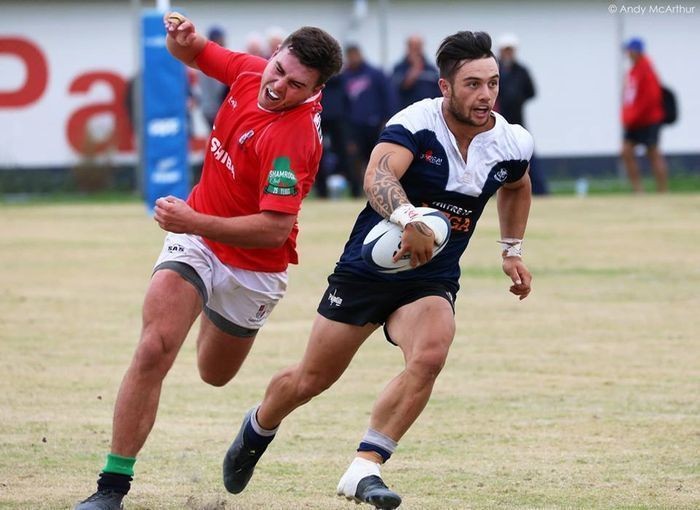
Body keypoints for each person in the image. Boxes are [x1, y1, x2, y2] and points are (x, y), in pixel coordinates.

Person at [222, 30, 533, 509]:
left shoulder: (510, 141)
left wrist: (511, 248)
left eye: (492, 83)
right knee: (311, 380)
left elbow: (516, 184)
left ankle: (365, 467)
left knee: (430, 355)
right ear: (445, 87)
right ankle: (259, 425)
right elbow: (378, 175)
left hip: (431, 277)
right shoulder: (417, 123)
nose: (486, 94)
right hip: (368, 269)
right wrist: (409, 218)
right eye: (472, 84)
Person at [74, 12, 342, 510]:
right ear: (276, 52)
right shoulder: (249, 70)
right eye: (278, 69)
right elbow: (194, 55)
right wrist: (184, 40)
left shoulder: (292, 137)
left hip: (253, 267)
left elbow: (274, 228)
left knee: (214, 374)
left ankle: (256, 424)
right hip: (197, 242)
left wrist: (192, 221)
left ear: (315, 90)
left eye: (295, 83)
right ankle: (111, 487)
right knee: (154, 347)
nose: (278, 85)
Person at [496, 33, 548, 195]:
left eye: (511, 50)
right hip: (497, 119)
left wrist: (517, 99)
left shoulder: (522, 70)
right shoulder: (495, 70)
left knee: (527, 152)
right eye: (506, 50)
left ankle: (539, 190)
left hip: (518, 120)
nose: (508, 53)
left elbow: (531, 92)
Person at [341, 44, 395, 194]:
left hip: (374, 124)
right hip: (354, 125)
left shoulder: (375, 74)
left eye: (355, 54)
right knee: (355, 158)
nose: (353, 58)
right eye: (350, 56)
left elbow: (388, 97)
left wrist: (387, 119)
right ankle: (356, 189)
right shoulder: (345, 76)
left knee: (376, 159)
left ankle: (377, 189)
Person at [621, 37, 668, 193]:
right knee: (626, 151)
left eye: (630, 50)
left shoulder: (646, 69)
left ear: (637, 51)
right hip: (634, 120)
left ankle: (662, 190)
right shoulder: (633, 71)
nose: (627, 54)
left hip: (648, 120)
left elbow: (652, 98)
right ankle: (638, 190)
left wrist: (635, 115)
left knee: (653, 152)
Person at [391, 34, 441, 110]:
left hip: (428, 112)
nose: (416, 50)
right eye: (413, 47)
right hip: (406, 113)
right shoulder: (399, 69)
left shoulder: (431, 69)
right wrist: (415, 68)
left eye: (418, 47)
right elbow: (398, 89)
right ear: (408, 48)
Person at [198, 26, 229, 127]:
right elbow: (218, 90)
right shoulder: (213, 60)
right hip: (215, 110)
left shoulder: (203, 58)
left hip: (207, 109)